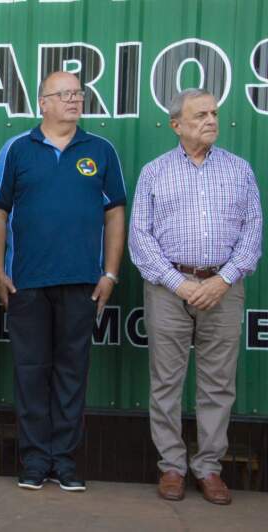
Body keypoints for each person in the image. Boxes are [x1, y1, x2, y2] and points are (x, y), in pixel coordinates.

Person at [0, 71, 126, 492]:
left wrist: (111, 273)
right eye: (63, 94)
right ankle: (33, 462)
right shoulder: (16, 149)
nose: (73, 100)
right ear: (42, 103)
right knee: (30, 373)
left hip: (82, 283)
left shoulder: (100, 150)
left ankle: (63, 461)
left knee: (71, 374)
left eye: (78, 94)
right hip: (27, 283)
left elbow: (115, 213)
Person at [129, 89, 262, 505]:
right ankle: (171, 466)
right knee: (166, 382)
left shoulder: (240, 170)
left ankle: (209, 468)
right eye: (200, 114)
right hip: (170, 288)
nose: (210, 120)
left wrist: (222, 279)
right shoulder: (154, 172)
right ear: (176, 125)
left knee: (217, 384)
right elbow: (140, 238)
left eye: (214, 113)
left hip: (224, 287)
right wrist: (179, 283)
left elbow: (252, 232)